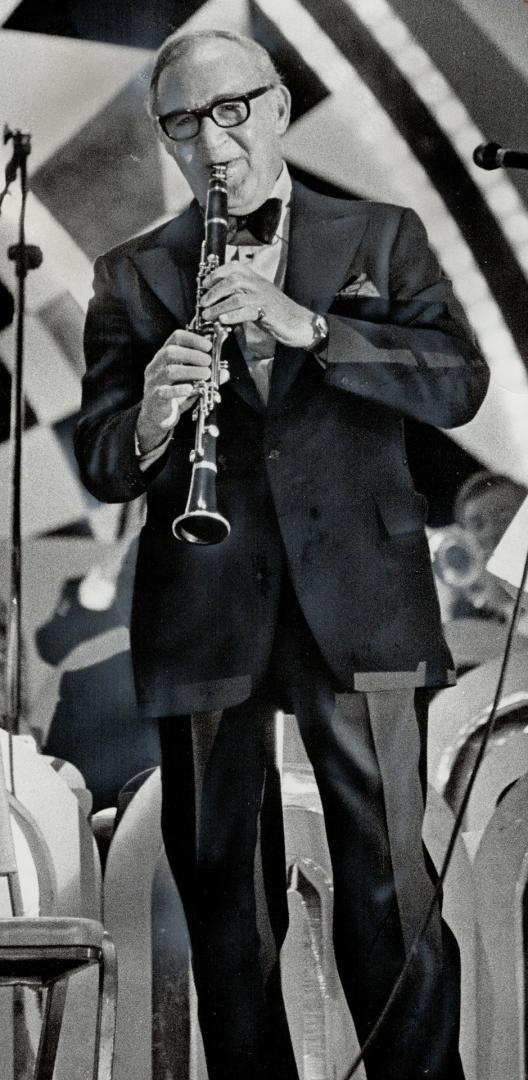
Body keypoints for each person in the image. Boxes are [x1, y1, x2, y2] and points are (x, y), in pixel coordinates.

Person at [75, 28, 490, 1080]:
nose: (212, 146)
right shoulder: (130, 275)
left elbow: (455, 381)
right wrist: (152, 419)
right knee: (225, 899)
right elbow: (101, 458)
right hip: (206, 605)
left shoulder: (380, 238)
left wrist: (306, 325)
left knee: (389, 886)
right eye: (181, 123)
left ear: (277, 103)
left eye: (231, 112)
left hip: (362, 597)